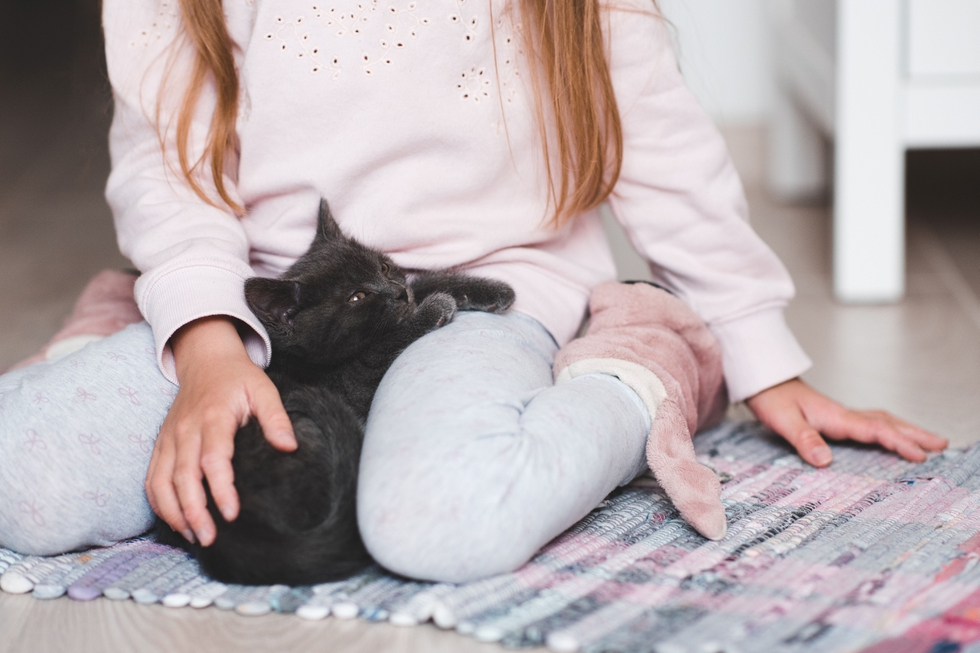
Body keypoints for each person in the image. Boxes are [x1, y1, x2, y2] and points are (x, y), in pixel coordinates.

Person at [0, 0, 946, 583]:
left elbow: (659, 148)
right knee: (22, 475)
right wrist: (205, 342)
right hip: (276, 301)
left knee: (438, 521)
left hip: (487, 297)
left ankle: (636, 375)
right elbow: (172, 168)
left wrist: (754, 345)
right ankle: (140, 324)